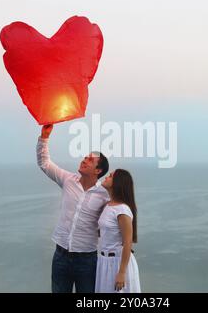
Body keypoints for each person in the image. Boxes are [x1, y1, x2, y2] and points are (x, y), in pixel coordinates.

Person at [36, 124, 110, 293]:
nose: (84, 160)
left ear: (98, 170)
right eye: (85, 157)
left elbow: (115, 218)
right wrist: (44, 137)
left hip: (87, 261)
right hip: (60, 256)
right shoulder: (68, 180)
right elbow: (44, 163)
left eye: (90, 160)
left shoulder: (104, 195)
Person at [96, 169, 141, 293]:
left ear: (118, 183)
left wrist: (121, 272)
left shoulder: (122, 210)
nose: (106, 177)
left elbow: (128, 242)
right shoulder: (108, 205)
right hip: (104, 262)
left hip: (117, 263)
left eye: (110, 176)